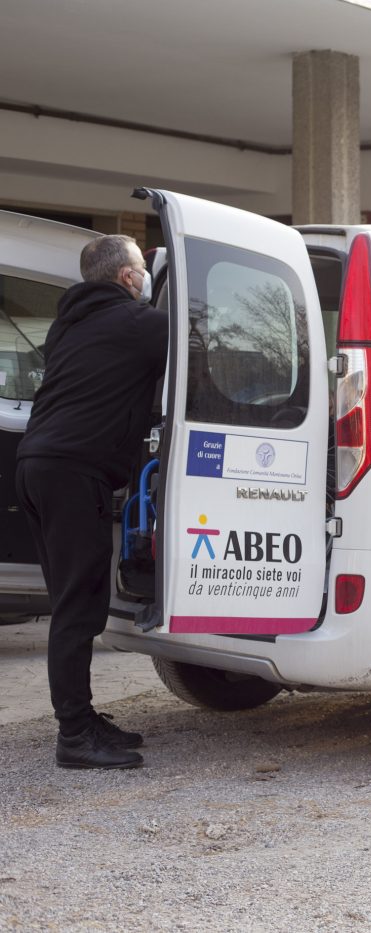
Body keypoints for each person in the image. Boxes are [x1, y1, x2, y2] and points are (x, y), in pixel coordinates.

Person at [15, 234, 167, 769]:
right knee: (77, 607)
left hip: (37, 466)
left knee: (72, 602)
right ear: (127, 277)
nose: (145, 277)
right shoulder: (140, 324)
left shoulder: (67, 326)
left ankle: (81, 718)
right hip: (73, 473)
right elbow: (206, 362)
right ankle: (75, 736)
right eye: (141, 268)